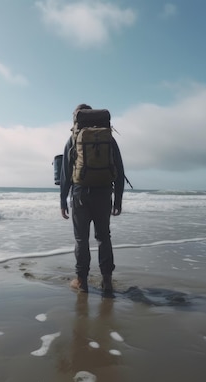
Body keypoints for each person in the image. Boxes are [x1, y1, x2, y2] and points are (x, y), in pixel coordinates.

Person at [60, 104, 125, 296]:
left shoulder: (74, 139)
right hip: (104, 192)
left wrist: (63, 201)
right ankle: (107, 282)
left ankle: (82, 282)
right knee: (104, 237)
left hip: (81, 194)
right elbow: (119, 171)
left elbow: (65, 173)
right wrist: (118, 199)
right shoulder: (109, 139)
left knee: (81, 239)